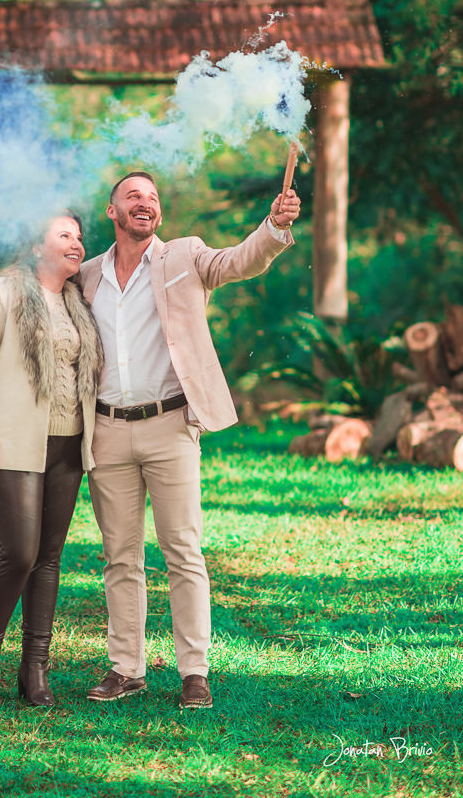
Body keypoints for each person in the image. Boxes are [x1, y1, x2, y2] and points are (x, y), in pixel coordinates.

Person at [79, 171, 301, 710]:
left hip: (171, 427)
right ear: (112, 211)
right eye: (133, 196)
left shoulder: (184, 255)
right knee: (119, 557)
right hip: (105, 431)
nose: (145, 203)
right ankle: (125, 669)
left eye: (152, 197)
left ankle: (194, 673)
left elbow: (238, 261)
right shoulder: (86, 277)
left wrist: (273, 227)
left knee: (183, 551)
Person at [0, 212, 104, 710]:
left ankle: (34, 670)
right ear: (37, 246)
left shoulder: (77, 302)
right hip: (12, 444)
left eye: (79, 236)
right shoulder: (5, 293)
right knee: (18, 553)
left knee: (48, 558)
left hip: (67, 445)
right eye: (64, 235)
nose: (76, 243)